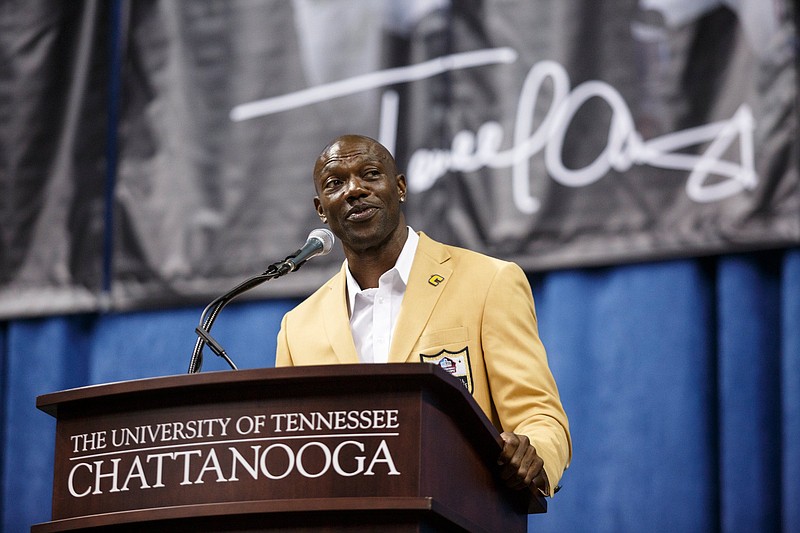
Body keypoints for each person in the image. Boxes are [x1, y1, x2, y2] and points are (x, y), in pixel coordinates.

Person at [276, 134, 571, 496]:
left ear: (399, 187)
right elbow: (292, 455)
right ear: (322, 209)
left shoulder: (489, 282)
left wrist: (532, 453)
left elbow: (539, 415)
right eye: (335, 183)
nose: (354, 190)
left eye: (370, 174)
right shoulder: (297, 328)